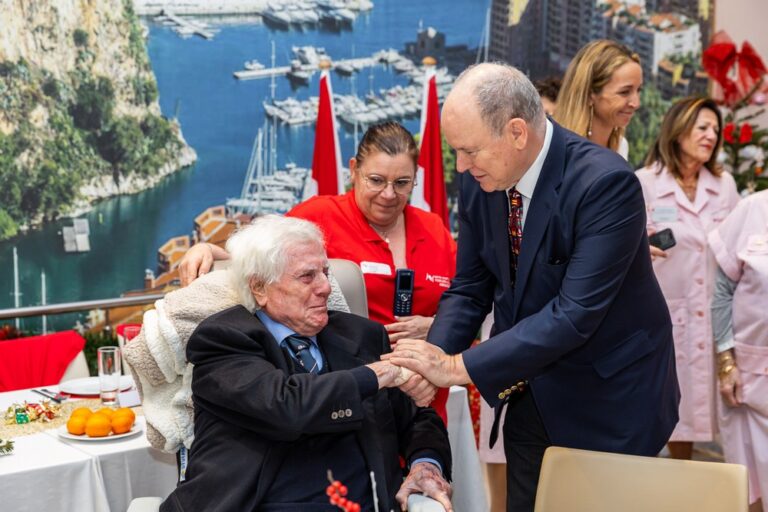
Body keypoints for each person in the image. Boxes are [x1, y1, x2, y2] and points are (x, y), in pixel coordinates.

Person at [384, 62, 679, 512]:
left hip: (611, 397)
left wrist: (457, 367)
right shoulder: (481, 177)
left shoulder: (605, 183)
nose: (460, 165)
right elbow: (470, 287)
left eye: (469, 151)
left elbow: (574, 315)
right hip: (530, 390)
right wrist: (431, 361)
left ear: (517, 132)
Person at [161, 215, 452, 512]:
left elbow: (417, 418)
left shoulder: (362, 334)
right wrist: (377, 373)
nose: (326, 287)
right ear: (260, 287)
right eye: (307, 276)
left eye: (325, 272)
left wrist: (425, 464)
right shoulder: (223, 339)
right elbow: (286, 407)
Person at [179, 121, 457, 418]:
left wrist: (434, 326)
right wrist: (208, 250)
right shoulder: (319, 216)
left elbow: (465, 303)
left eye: (401, 183)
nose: (388, 194)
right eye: (376, 180)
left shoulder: (434, 229)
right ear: (354, 170)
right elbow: (261, 260)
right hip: (352, 392)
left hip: (425, 390)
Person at [636, 96, 740, 460]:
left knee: (707, 416)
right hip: (664, 318)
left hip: (712, 317)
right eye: (703, 127)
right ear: (678, 130)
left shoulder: (724, 185)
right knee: (666, 414)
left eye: (716, 130)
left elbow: (736, 247)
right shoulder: (645, 182)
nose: (711, 135)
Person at [709, 190, 768, 512]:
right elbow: (722, 293)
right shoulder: (752, 209)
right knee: (747, 489)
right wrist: (726, 362)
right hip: (748, 382)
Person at [554, 39, 642, 159]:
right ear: (590, 94)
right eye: (624, 92)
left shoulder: (621, 146)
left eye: (638, 90)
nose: (636, 103)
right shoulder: (559, 150)